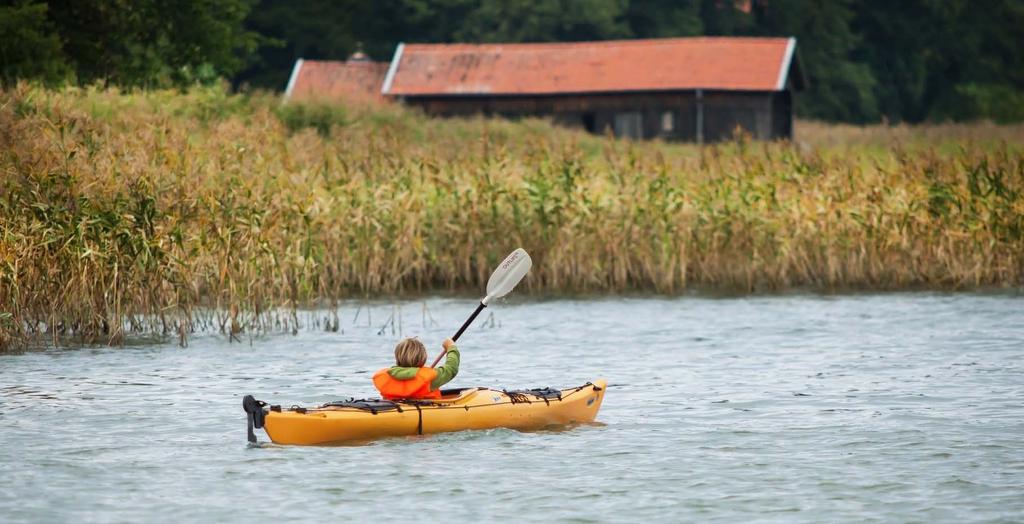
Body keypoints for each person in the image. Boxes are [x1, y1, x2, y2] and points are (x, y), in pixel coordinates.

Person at [372, 337, 459, 400]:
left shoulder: (388, 375)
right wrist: (451, 347)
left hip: (392, 411)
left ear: (397, 357)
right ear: (423, 358)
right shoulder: (430, 378)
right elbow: (451, 368)